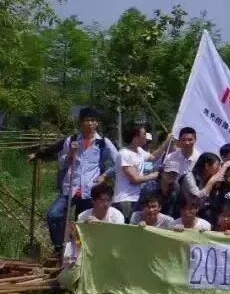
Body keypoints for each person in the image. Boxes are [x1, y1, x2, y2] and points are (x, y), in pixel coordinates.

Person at [48, 107, 120, 252]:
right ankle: (59, 247)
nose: (90, 123)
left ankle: (80, 252)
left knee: (82, 224)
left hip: (90, 190)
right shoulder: (72, 140)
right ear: (81, 122)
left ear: (97, 123)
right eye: (87, 120)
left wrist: (105, 175)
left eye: (93, 120)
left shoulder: (103, 142)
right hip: (70, 187)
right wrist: (70, 154)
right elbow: (61, 163)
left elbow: (118, 161)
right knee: (54, 214)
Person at [114, 123, 158, 222]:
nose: (146, 136)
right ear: (135, 137)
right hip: (126, 200)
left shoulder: (139, 150)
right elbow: (135, 179)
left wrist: (167, 142)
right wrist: (152, 176)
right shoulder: (124, 154)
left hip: (136, 198)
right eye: (144, 134)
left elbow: (154, 157)